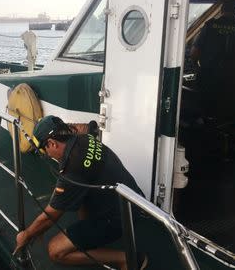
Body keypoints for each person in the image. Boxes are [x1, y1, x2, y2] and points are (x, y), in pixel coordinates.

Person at [14, 115, 148, 270]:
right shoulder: (83, 138)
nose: (47, 154)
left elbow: (49, 217)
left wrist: (26, 235)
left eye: (45, 150)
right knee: (79, 204)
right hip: (132, 200)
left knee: (55, 250)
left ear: (52, 143)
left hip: (119, 218)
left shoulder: (72, 169)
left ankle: (128, 260)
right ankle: (87, 236)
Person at [189, 0, 235, 119]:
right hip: (234, 87)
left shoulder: (210, 26)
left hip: (209, 82)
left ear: (221, 9)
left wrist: (196, 68)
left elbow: (194, 53)